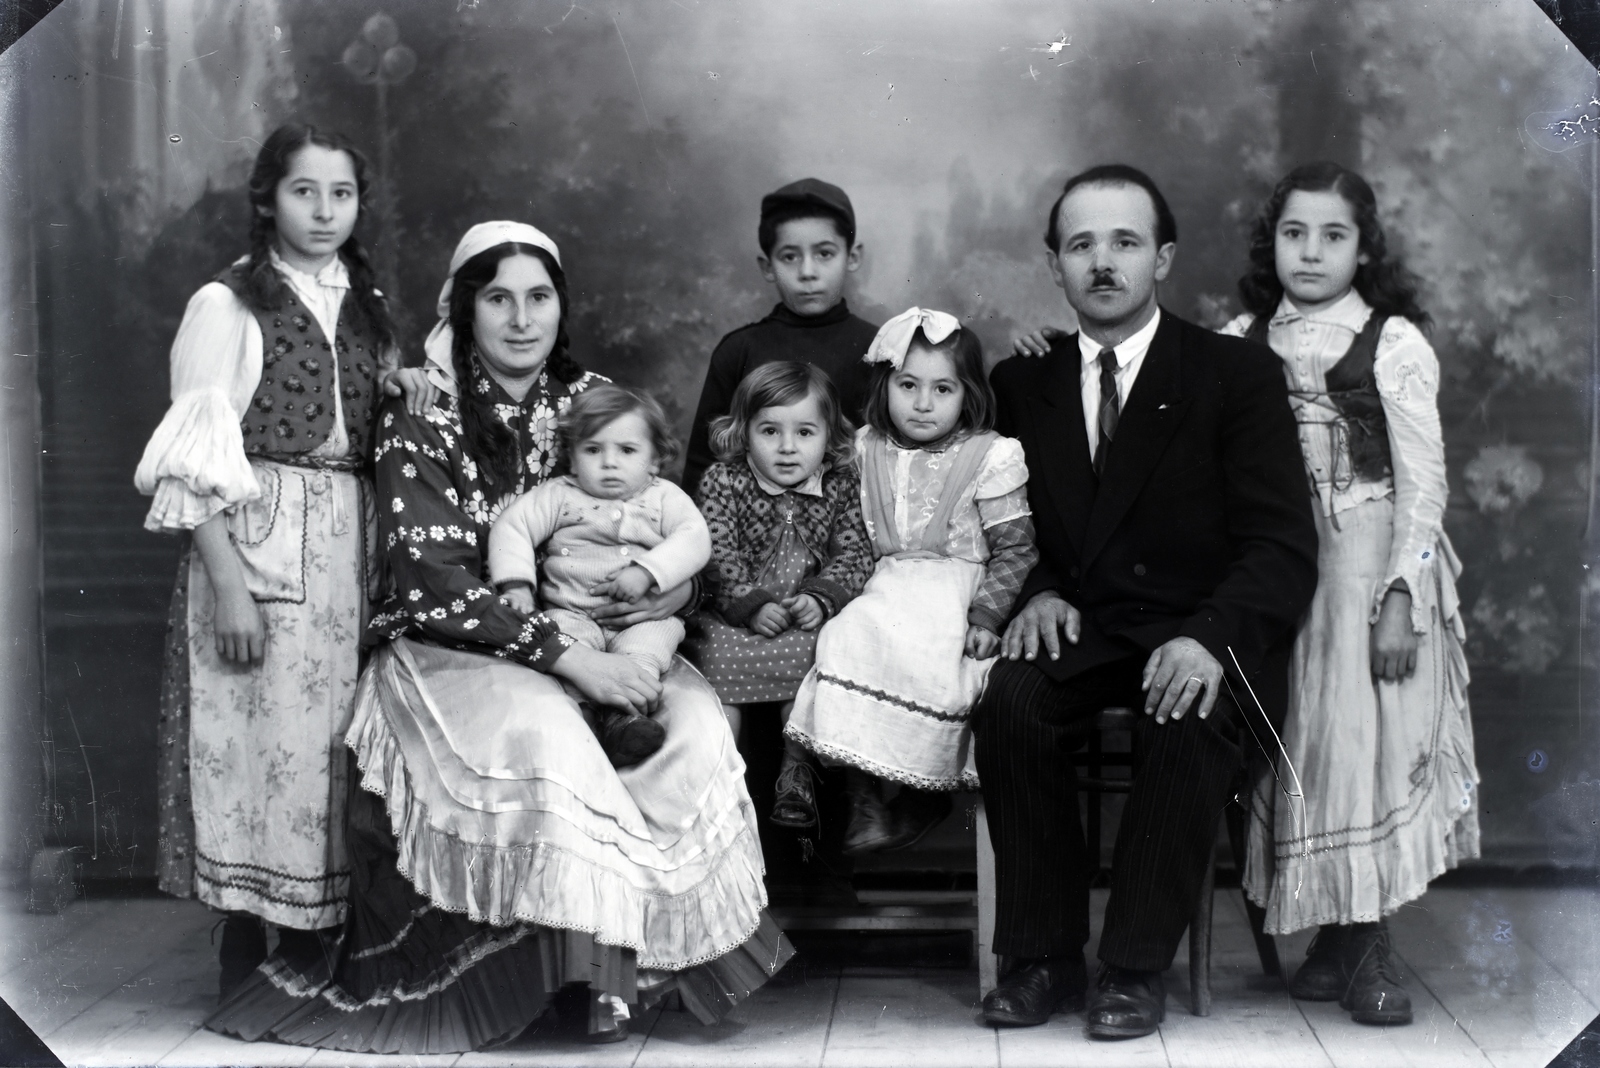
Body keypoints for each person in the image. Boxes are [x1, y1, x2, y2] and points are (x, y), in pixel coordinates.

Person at [204, 221, 791, 1053]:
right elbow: (431, 579)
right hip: (460, 645)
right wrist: (567, 658)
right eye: (498, 299)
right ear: (465, 309)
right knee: (544, 730)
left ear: (562, 306)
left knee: (693, 726)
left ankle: (623, 979)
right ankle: (542, 977)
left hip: (605, 631)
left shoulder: (593, 402)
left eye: (540, 298)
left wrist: (675, 585)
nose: (522, 319)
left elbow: (664, 518)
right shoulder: (420, 408)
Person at [977, 164, 1319, 1040]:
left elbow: (1282, 547)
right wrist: (1041, 589)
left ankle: (1131, 968)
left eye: (1125, 242)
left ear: (1162, 257)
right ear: (1053, 263)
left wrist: (1209, 637)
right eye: (1081, 244)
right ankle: (1042, 956)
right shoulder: (1025, 384)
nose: (1103, 262)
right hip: (1085, 625)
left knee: (1188, 712)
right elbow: (996, 523)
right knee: (1013, 698)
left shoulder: (1234, 373)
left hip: (1200, 628)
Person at [133, 123, 434, 998]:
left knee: (335, 741)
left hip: (350, 538)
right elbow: (196, 457)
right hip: (256, 536)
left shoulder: (364, 300)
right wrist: (227, 586)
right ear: (268, 198)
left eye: (341, 195)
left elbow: (354, 406)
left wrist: (400, 382)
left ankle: (326, 935)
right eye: (305, 192)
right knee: (260, 743)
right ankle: (251, 934)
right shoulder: (226, 304)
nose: (325, 212)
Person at [1218, 162, 1478, 1027]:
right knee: (1304, 748)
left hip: (1366, 566)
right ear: (1273, 242)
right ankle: (1332, 934)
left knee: (1358, 746)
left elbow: (1424, 485)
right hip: (1279, 568)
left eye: (1333, 236)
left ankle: (1369, 946)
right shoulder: (1242, 338)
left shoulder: (1393, 343)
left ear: (1364, 248)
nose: (1312, 252)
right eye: (1295, 234)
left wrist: (1399, 596)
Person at [786, 308, 1037, 855]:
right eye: (908, 385)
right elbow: (838, 530)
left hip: (955, 593)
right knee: (846, 638)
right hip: (882, 585)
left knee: (932, 661)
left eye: (942, 388)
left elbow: (1016, 548)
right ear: (886, 385)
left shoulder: (990, 455)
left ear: (966, 394)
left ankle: (921, 794)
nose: (923, 403)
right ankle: (863, 799)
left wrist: (986, 617)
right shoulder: (865, 447)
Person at [683, 361, 873, 831]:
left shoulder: (840, 483)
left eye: (805, 432)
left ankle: (797, 772)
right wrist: (750, 605)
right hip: (735, 618)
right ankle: (720, 781)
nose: (788, 448)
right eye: (770, 430)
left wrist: (822, 597)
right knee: (715, 668)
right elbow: (715, 553)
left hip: (804, 616)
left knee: (819, 664)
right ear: (743, 433)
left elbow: (854, 552)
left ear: (829, 437)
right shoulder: (723, 481)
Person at [489, 383, 712, 767]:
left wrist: (647, 572)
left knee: (648, 647)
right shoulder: (560, 495)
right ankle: (582, 716)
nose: (609, 462)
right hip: (572, 611)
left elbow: (695, 539)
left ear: (654, 460)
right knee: (559, 638)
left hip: (641, 619)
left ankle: (626, 719)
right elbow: (513, 527)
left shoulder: (665, 497)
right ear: (573, 460)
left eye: (627, 451)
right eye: (593, 450)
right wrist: (517, 586)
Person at [681, 178, 879, 494]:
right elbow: (702, 470)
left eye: (825, 254)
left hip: (852, 527)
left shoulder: (880, 347)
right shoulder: (739, 350)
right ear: (767, 266)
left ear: (852, 257)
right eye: (790, 256)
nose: (808, 271)